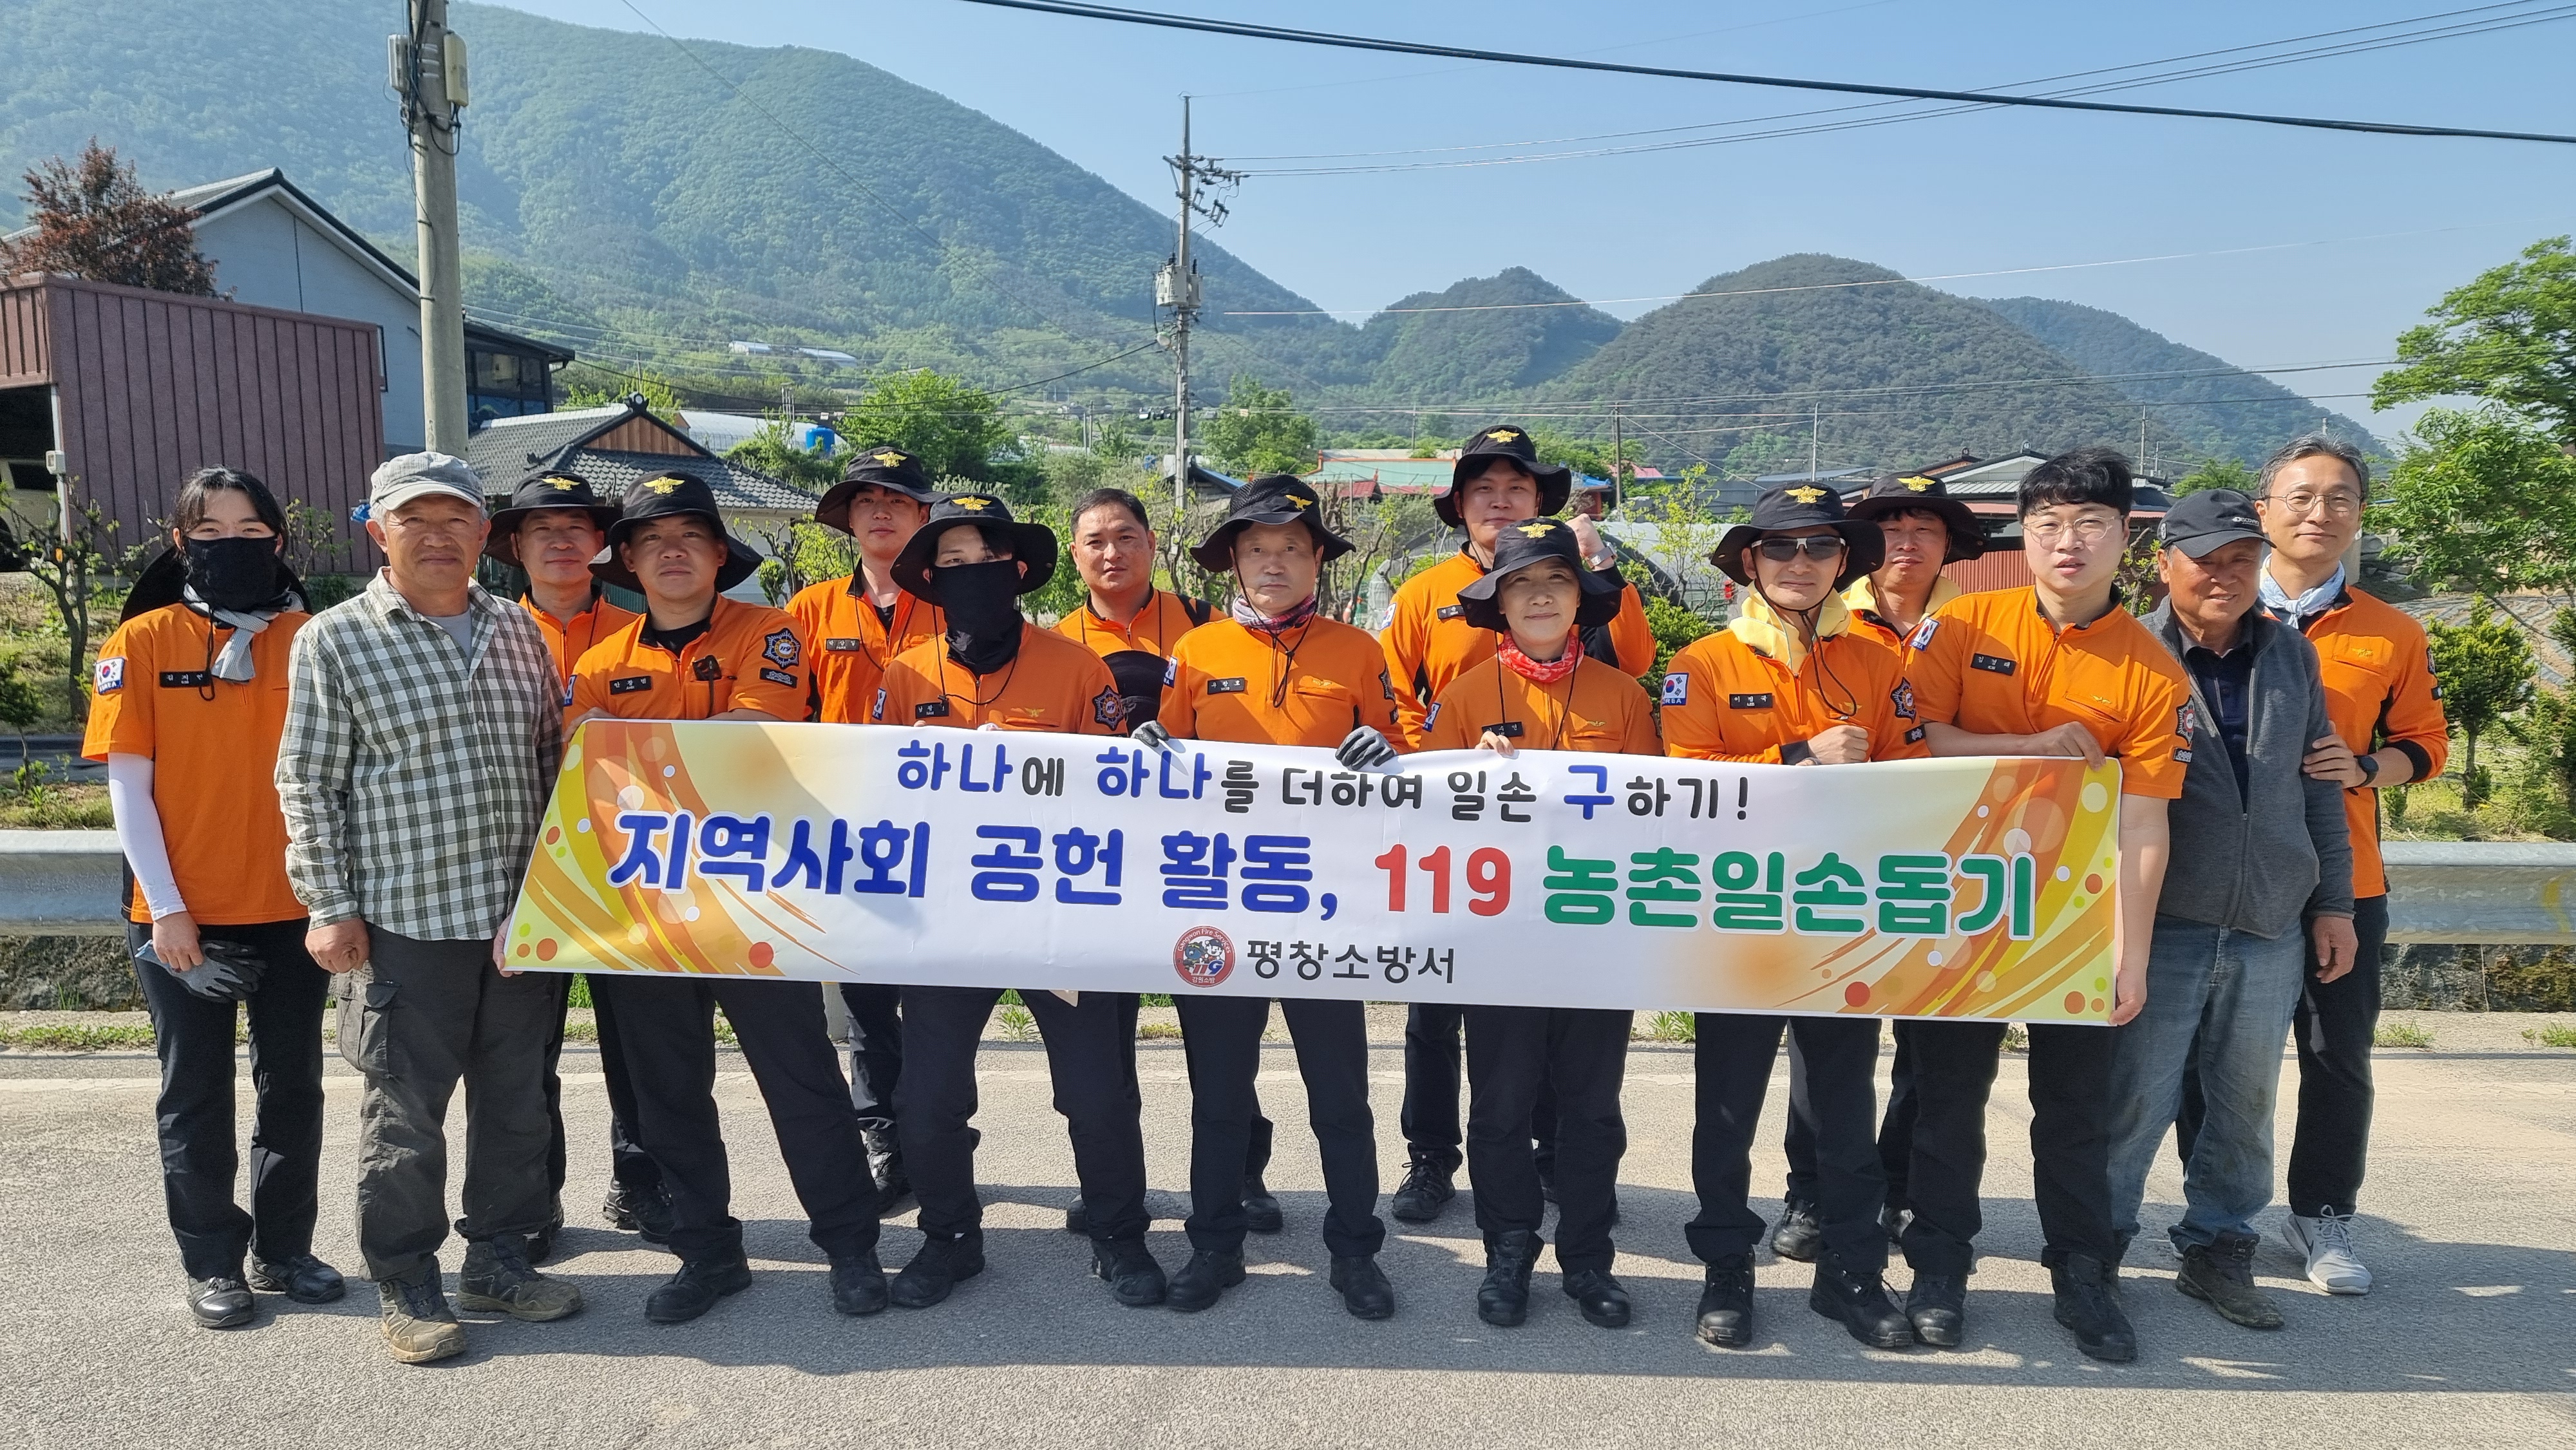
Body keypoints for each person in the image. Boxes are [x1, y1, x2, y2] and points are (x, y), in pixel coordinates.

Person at [276, 452, 579, 1365]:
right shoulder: (334, 639)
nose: (438, 536)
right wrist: (328, 905)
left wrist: (560, 895)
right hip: (405, 920)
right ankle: (406, 1278)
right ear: (379, 531)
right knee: (406, 1115)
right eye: (416, 519)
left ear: (485, 534)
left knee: (518, 1102)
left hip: (517, 920)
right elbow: (308, 783)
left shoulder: (519, 630)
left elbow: (549, 763)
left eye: (457, 519)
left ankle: (499, 1258)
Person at [565, 471, 886, 1325]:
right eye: (650, 540)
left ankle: (851, 1245)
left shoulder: (769, 632)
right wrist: (629, 751)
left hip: (758, 897)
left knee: (802, 1079)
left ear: (718, 554)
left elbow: (756, 736)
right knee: (667, 1093)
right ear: (629, 561)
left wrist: (628, 746)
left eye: (689, 537)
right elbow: (579, 767)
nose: (670, 552)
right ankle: (707, 1252)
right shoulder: (600, 663)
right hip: (646, 908)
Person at [1897, 446, 2186, 1364]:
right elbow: (1914, 742)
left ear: (2125, 535)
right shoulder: (1957, 625)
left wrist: (2130, 954)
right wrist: (2027, 748)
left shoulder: (2152, 670)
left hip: (2076, 917)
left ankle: (2082, 1274)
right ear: (2022, 535)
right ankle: (1938, 1266)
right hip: (1959, 902)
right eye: (2049, 523)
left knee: (2075, 1110)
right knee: (1946, 1097)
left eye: (2091, 523)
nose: (2070, 542)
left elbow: (2145, 824)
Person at [869, 494, 1168, 1310]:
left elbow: (1116, 796)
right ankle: (948, 1236)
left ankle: (1119, 1233)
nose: (974, 575)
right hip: (944, 921)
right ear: (931, 578)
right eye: (954, 563)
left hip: (1056, 915)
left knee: (1096, 1092)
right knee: (927, 1096)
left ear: (1019, 570)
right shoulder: (903, 675)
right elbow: (873, 790)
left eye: (988, 560)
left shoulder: (1077, 668)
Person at [2173, 435, 2444, 1297]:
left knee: (2334, 1055)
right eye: (2300, 496)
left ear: (2360, 515)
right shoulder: (2202, 608)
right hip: (2210, 879)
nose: (2319, 513)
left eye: (2339, 498)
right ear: (2263, 512)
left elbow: (2424, 745)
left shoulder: (2391, 630)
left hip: (2340, 878)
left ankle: (2323, 1214)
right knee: (2206, 1057)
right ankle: (2217, 1221)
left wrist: (2365, 768)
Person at [1130, 475, 1403, 1318]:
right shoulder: (1197, 652)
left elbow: (1407, 752)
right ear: (1234, 563)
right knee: (1219, 1095)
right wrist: (1148, 746)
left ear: (1318, 559)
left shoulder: (1359, 652)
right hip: (1218, 904)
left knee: (1340, 1096)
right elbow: (1169, 767)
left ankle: (1356, 1251)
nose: (1273, 562)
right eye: (1256, 549)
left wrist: (1387, 748)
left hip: (1325, 906)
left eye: (1290, 547)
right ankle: (1214, 1247)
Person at [1658, 484, 1920, 1351]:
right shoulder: (1702, 663)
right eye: (1780, 547)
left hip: (1845, 916)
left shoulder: (1881, 666)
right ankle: (1725, 1265)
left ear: (1844, 561)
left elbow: (1921, 786)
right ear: (1749, 561)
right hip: (1736, 917)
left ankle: (1851, 1271)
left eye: (1818, 546)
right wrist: (1802, 755)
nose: (1799, 562)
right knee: (1725, 1108)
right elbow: (1683, 787)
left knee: (1844, 1107)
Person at [1379, 424, 1655, 1227]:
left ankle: (1555, 1157)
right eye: (1483, 490)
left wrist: (1600, 563)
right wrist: (1444, 769)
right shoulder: (1423, 591)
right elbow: (1397, 697)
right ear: (1460, 505)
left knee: (1552, 1028)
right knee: (1437, 1017)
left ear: (1541, 501)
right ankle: (1431, 1156)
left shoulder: (1582, 589)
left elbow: (1635, 660)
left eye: (1516, 489)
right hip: (1462, 848)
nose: (1499, 501)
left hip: (1573, 873)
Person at [86, 467, 338, 1330]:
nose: (233, 544)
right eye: (211, 531)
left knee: (294, 1085)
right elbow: (126, 786)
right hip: (178, 914)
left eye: (251, 530)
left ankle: (286, 1248)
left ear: (279, 540)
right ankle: (212, 1261)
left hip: (292, 906)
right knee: (194, 1092)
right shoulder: (141, 641)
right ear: (179, 543)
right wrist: (168, 911)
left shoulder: (312, 637)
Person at [2106, 488, 2355, 1332]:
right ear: (2164, 563)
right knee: (2133, 1097)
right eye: (2206, 560)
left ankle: (2218, 1244)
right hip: (2160, 918)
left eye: (2241, 560)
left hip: (2269, 921)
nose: (2224, 575)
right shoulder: (2125, 650)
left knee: (2245, 1102)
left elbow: (2318, 787)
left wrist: (2333, 903)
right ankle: (2097, 1245)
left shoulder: (2292, 656)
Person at [1423, 516, 1660, 1330]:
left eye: (1557, 581)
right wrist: (1469, 778)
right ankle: (1508, 1248)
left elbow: (1656, 814)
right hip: (1498, 939)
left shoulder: (1623, 696)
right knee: (1500, 1104)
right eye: (1521, 584)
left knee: (1591, 1109)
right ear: (1499, 602)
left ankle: (1588, 1258)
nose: (1540, 597)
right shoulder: (1464, 696)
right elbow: (1425, 819)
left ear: (1580, 598)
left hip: (1597, 933)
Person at [1054, 486, 1284, 1239]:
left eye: (1126, 535)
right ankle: (1108, 1180)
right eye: (1095, 540)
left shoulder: (1208, 626)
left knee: (1220, 1030)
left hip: (1201, 856)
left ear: (1153, 544)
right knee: (1101, 1035)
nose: (1111, 552)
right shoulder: (1055, 642)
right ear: (1075, 554)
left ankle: (1242, 1173)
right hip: (1103, 862)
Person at [1772, 470, 1989, 1260]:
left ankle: (1896, 1185)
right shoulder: (1815, 614)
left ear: (1949, 546)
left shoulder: (1978, 627)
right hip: (1824, 865)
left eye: (1925, 529)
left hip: (1939, 858)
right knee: (1827, 1042)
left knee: (1930, 1051)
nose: (1907, 542)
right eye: (1891, 528)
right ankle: (1811, 1189)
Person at [482, 467, 670, 1253]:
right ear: (515, 546)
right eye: (540, 529)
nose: (559, 541)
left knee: (640, 1046)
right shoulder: (485, 633)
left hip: (629, 868)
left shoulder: (645, 629)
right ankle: (535, 1201)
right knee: (524, 1051)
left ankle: (643, 1180)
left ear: (601, 543)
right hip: (519, 867)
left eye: (575, 528)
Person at [790, 445, 946, 1211]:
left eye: (897, 499)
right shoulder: (810, 610)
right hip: (845, 835)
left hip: (945, 835)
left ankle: (940, 1133)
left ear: (923, 515)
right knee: (863, 1002)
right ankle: (884, 1138)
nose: (880, 510)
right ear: (848, 518)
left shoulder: (954, 601)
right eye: (865, 500)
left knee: (941, 1002)